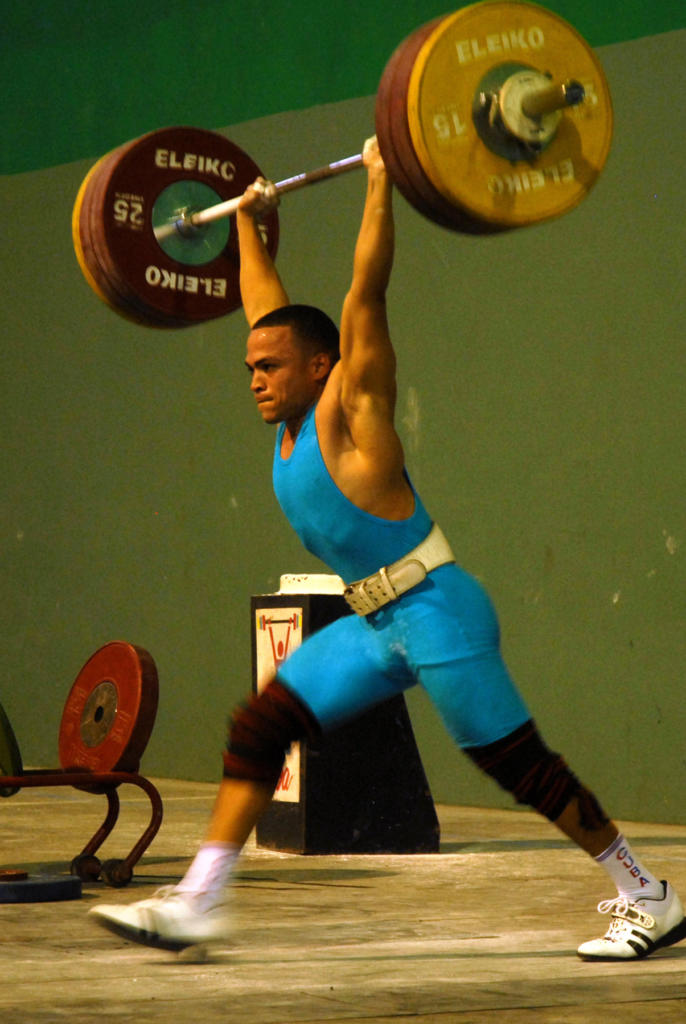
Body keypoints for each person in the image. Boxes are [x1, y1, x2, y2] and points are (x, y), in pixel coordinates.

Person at [90, 138, 685, 961]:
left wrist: (380, 182)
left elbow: (365, 292)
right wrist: (259, 225)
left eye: (270, 367)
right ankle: (197, 900)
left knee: (518, 767)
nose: (255, 379)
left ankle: (648, 894)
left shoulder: (353, 411)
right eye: (250, 368)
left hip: (438, 609)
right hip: (373, 623)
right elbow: (266, 306)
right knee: (260, 728)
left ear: (321, 367)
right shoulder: (293, 418)